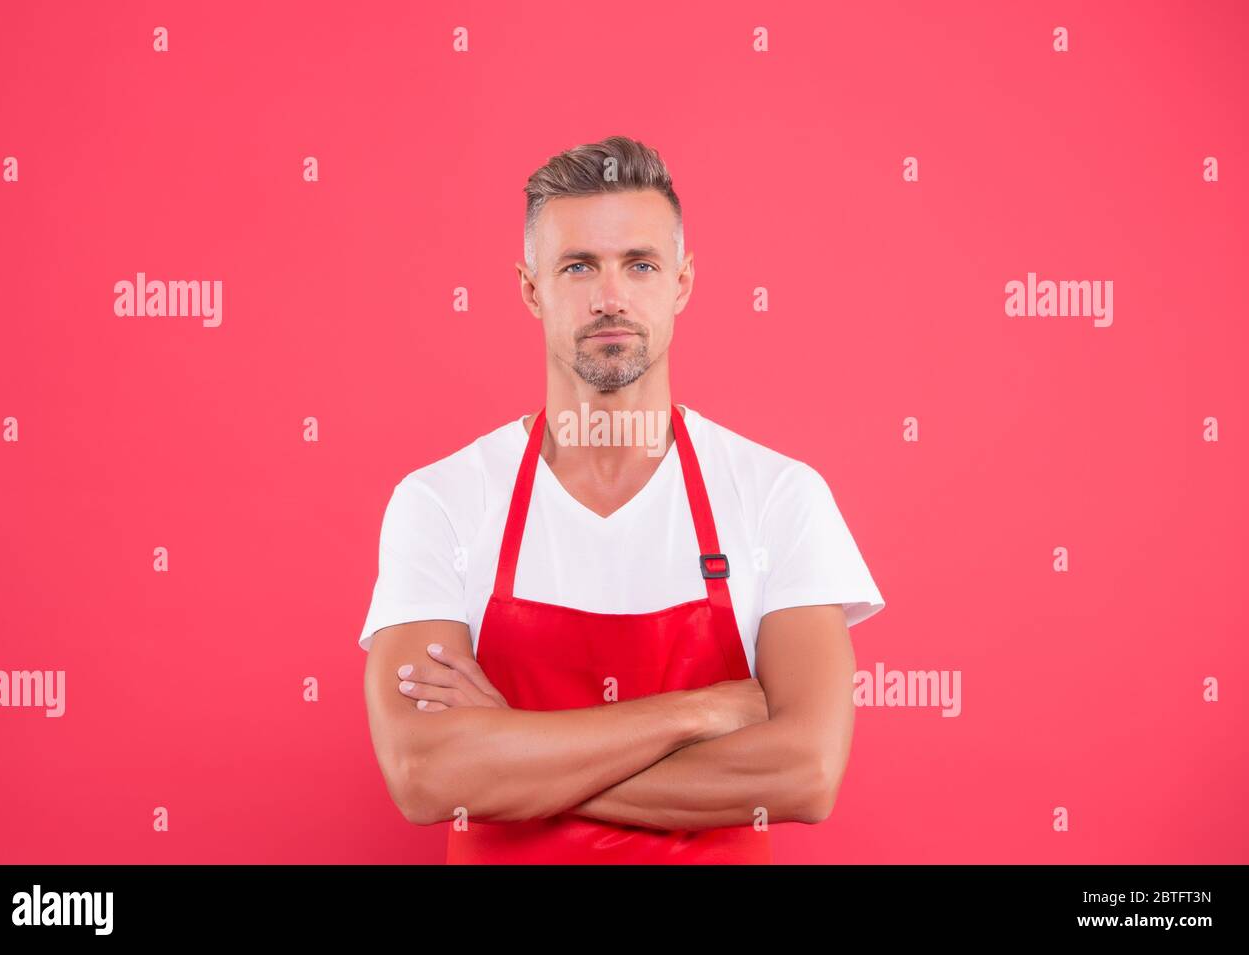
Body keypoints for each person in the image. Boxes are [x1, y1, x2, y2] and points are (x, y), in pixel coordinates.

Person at [359, 135, 885, 864]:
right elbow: (425, 775)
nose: (611, 298)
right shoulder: (441, 503)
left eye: (639, 265)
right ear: (531, 287)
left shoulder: (779, 497)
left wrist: (514, 748)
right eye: (578, 267)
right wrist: (702, 710)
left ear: (682, 282)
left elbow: (806, 772)